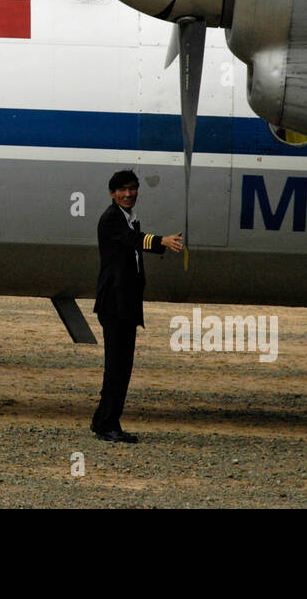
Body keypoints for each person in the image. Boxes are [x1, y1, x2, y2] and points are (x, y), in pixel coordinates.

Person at [91, 169, 183, 443]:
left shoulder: (128, 218)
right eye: (122, 190)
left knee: (120, 366)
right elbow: (132, 240)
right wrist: (160, 241)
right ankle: (107, 424)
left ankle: (103, 421)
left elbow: (133, 244)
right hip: (115, 305)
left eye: (132, 189)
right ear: (112, 193)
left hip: (125, 305)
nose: (128, 194)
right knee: (118, 367)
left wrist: (159, 247)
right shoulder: (112, 219)